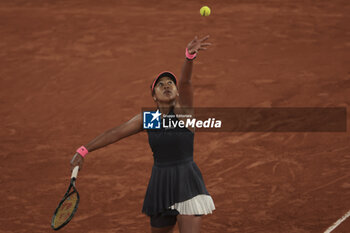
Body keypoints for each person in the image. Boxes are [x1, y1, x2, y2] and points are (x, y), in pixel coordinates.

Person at [70, 35, 215, 233]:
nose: (166, 85)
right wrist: (84, 150)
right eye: (160, 84)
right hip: (160, 183)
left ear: (177, 92)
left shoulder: (184, 114)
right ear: (154, 96)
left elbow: (186, 81)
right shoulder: (149, 119)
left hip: (186, 182)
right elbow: (115, 133)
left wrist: (189, 57)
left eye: (170, 84)